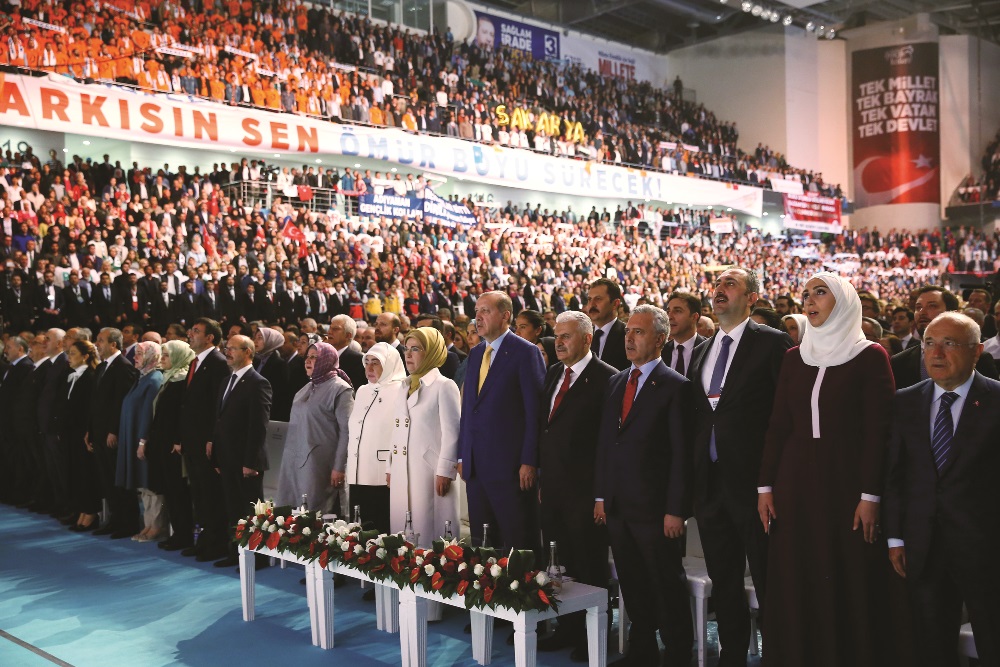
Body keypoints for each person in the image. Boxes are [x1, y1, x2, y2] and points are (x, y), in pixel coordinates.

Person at [757, 272, 895, 667]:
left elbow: (879, 432)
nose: (809, 300)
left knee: (844, 572)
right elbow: (778, 425)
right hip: (794, 483)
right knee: (797, 574)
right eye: (805, 294)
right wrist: (764, 487)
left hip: (846, 483)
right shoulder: (794, 356)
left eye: (820, 292)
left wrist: (870, 495)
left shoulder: (870, 355)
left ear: (845, 301)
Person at [687, 269, 792, 667]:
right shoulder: (703, 350)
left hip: (755, 487)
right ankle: (731, 655)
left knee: (768, 579)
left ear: (751, 298)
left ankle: (779, 654)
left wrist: (773, 481)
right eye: (717, 285)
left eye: (730, 284)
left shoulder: (772, 342)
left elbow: (785, 414)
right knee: (724, 579)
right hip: (711, 484)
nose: (719, 290)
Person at [884, 312, 1000, 667]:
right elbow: (895, 475)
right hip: (924, 546)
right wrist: (895, 538)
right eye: (929, 343)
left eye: (949, 344)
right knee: (932, 646)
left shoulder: (996, 400)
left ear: (977, 351)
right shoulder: (904, 400)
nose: (936, 353)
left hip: (986, 549)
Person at [593, 305, 692, 667]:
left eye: (639, 332)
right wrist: (601, 496)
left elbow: (682, 455)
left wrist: (676, 509)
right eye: (628, 331)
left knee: (666, 584)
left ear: (660, 339)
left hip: (656, 510)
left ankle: (678, 654)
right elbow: (606, 444)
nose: (629, 338)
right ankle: (643, 652)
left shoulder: (676, 386)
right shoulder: (616, 381)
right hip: (619, 506)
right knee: (632, 583)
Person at [536, 311, 616, 661]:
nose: (559, 342)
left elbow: (607, 443)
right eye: (556, 336)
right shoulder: (555, 373)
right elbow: (547, 429)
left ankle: (595, 637)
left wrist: (601, 494)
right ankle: (567, 628)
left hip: (585, 492)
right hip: (553, 488)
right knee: (559, 564)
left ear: (587, 339)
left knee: (589, 565)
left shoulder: (607, 378)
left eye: (566, 336)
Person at [459, 290, 545, 551]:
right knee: (483, 546)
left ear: (505, 315)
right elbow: (469, 410)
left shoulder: (525, 352)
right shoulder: (476, 354)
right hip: (476, 468)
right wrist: (463, 455)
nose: (478, 318)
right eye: (476, 311)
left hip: (511, 469)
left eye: (485, 311)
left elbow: (535, 412)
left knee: (519, 543)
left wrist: (530, 461)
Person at [387, 327, 460, 546]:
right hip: (402, 468)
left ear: (431, 352)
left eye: (415, 349)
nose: (408, 354)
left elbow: (453, 432)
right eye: (406, 348)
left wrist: (445, 470)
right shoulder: (404, 385)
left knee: (430, 533)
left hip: (430, 472)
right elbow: (396, 430)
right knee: (402, 534)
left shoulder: (444, 386)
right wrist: (390, 466)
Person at [209, 334, 272, 569]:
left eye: (233, 348)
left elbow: (258, 426)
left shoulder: (258, 382)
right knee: (233, 508)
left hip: (247, 460)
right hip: (227, 457)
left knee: (251, 510)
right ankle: (236, 552)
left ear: (247, 352)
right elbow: (220, 419)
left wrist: (251, 461)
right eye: (227, 348)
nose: (227, 352)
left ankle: (258, 556)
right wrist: (216, 454)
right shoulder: (227, 380)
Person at [174, 318, 230, 559]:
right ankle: (204, 541)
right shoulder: (195, 362)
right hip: (192, 440)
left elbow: (217, 406)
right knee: (198, 493)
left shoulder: (217, 363)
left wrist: (211, 438)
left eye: (196, 331)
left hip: (206, 442)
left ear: (210, 338)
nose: (190, 334)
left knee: (210, 493)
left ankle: (216, 544)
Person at [276, 343, 354, 514]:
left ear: (327, 360)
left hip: (319, 464)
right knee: (291, 515)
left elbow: (347, 432)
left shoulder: (341, 389)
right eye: (308, 357)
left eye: (314, 357)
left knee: (314, 515)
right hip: (294, 461)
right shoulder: (307, 388)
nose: (308, 361)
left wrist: (339, 467)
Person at [346, 342, 406, 534]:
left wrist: (392, 466)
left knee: (380, 529)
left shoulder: (401, 390)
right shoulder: (363, 390)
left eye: (376, 362)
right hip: (357, 470)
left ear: (389, 364)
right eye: (367, 362)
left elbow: (400, 433)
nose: (369, 368)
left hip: (382, 474)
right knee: (357, 529)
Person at [891, 286, 998, 389]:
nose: (922, 312)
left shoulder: (978, 358)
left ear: (953, 313)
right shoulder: (899, 362)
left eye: (932, 306)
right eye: (918, 307)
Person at [90, 328, 140, 537]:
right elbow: (96, 402)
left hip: (113, 434)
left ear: (113, 344)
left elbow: (122, 403)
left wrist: (114, 430)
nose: (97, 344)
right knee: (107, 479)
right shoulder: (102, 366)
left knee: (118, 480)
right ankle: (114, 519)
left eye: (101, 340)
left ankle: (127, 523)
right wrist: (90, 431)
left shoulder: (124, 367)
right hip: (99, 432)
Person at [116, 341, 165, 541]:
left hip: (143, 439)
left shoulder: (155, 378)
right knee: (142, 485)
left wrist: (143, 441)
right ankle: (147, 524)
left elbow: (149, 414)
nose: (134, 357)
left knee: (150, 484)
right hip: (134, 436)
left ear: (151, 356)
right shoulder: (142, 376)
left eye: (139, 354)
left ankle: (156, 526)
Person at [147, 340, 195, 546]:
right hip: (162, 443)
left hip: (174, 446)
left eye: (166, 355)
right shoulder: (169, 378)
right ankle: (177, 533)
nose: (163, 359)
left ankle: (184, 535)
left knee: (178, 492)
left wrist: (178, 440)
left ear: (177, 356)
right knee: (169, 490)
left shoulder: (181, 381)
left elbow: (181, 416)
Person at [61, 340, 100, 531]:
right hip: (71, 432)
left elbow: (89, 408)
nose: (69, 357)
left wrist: (88, 432)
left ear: (85, 356)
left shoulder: (90, 377)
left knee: (86, 473)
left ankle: (90, 512)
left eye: (73, 353)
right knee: (75, 472)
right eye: (69, 353)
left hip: (83, 433)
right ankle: (80, 510)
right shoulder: (72, 375)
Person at [661, 291, 707, 376]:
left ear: (694, 317)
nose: (669, 317)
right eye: (668, 311)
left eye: (677, 311)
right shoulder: (660, 352)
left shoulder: (709, 349)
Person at [587, 278, 629, 371]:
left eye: (598, 299)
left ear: (615, 304)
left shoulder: (628, 336)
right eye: (589, 299)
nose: (591, 304)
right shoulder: (582, 336)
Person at [253, 327, 291, 421]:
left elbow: (280, 395)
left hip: (269, 413)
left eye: (260, 338)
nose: (255, 341)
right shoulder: (256, 361)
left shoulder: (279, 364)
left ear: (271, 341)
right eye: (255, 338)